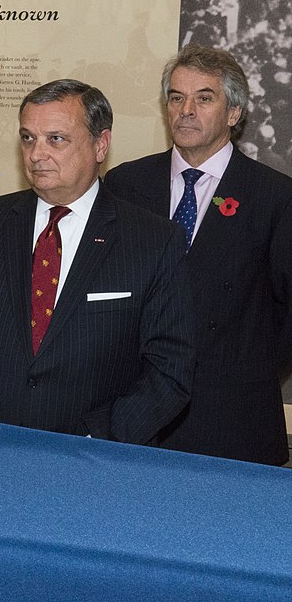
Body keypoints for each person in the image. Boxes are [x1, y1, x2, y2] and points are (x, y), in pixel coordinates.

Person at [0, 79, 194, 445]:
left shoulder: (153, 240)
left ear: (101, 144)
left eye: (56, 139)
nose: (36, 154)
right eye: (28, 138)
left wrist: (96, 437)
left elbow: (169, 370)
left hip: (90, 459)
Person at [104, 45, 292, 465]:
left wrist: (245, 367)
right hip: (134, 422)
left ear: (233, 113)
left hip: (232, 422)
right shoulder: (124, 185)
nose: (186, 110)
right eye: (176, 97)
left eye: (204, 98)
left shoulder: (275, 197)